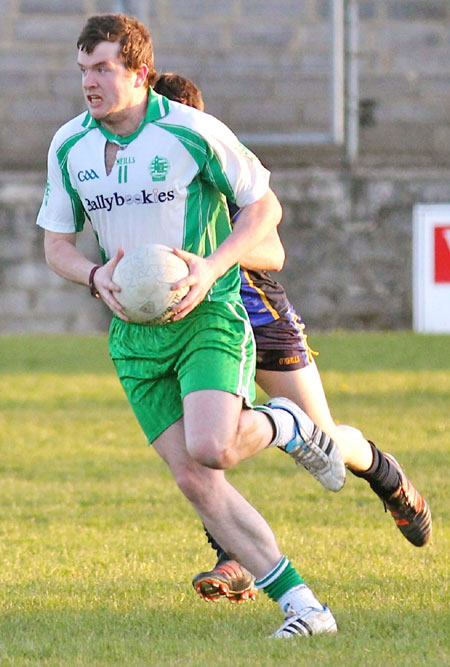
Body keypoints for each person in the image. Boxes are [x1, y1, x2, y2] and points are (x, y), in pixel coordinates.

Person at [36, 13, 354, 639]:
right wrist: (95, 277)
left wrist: (210, 268)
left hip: (206, 313)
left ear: (140, 72)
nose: (90, 84)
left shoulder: (191, 131)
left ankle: (285, 422)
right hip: (132, 336)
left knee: (213, 447)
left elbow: (265, 207)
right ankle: (305, 610)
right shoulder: (68, 145)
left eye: (103, 69)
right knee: (196, 480)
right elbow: (56, 246)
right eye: (83, 71)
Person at [153, 72, 433, 604]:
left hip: (257, 315)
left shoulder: (221, 162)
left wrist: (211, 252)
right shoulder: (142, 185)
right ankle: (232, 556)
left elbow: (273, 252)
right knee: (203, 442)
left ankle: (383, 472)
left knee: (323, 438)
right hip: (196, 322)